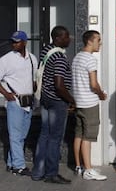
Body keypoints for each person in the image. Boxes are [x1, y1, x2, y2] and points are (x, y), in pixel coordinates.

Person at [0, 31, 38, 176]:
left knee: (22, 135)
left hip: (28, 102)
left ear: (24, 42)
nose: (14, 44)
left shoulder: (32, 59)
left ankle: (11, 163)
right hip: (15, 102)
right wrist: (6, 94)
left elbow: (34, 80)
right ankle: (19, 166)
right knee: (15, 136)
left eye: (17, 41)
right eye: (12, 41)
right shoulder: (6, 59)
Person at [31, 25, 75, 184]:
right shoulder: (59, 58)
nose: (69, 39)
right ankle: (51, 173)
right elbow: (59, 85)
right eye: (66, 36)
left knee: (44, 135)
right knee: (55, 138)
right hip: (57, 102)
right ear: (57, 39)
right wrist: (71, 100)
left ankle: (37, 172)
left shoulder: (46, 51)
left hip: (44, 99)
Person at [72, 30, 107, 181]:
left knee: (79, 134)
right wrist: (101, 94)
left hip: (78, 102)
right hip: (89, 103)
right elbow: (93, 84)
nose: (100, 43)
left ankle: (79, 166)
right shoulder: (90, 59)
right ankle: (89, 170)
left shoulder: (77, 57)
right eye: (98, 40)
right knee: (88, 136)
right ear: (90, 41)